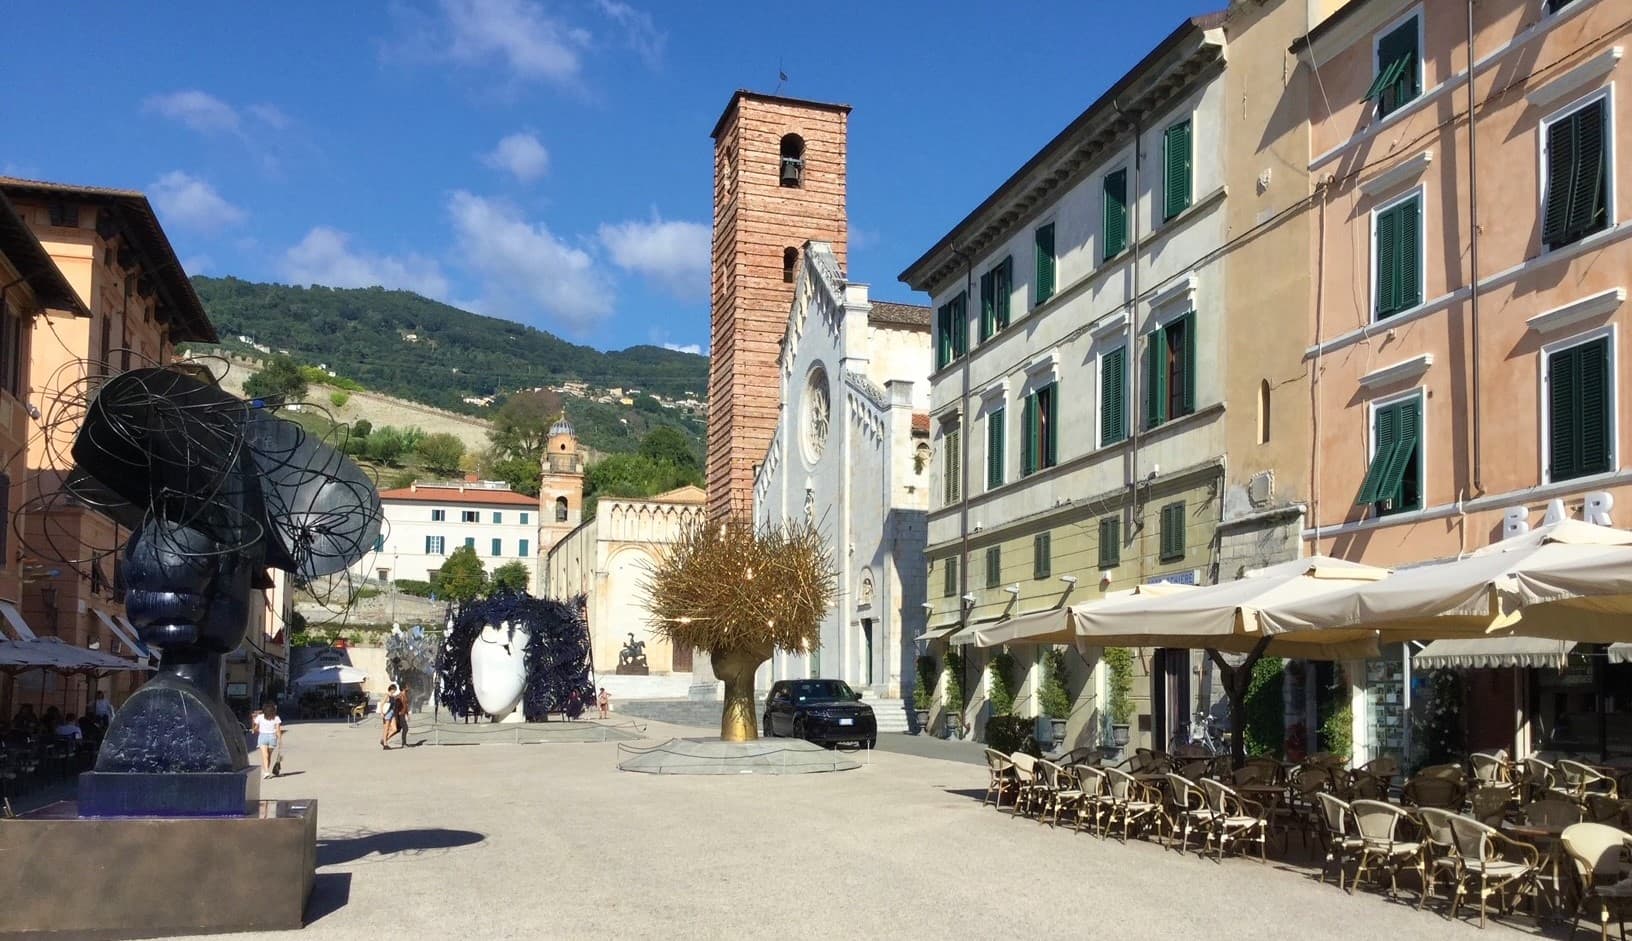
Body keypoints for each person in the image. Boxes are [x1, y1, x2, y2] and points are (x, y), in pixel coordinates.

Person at [251, 703, 283, 779]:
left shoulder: (260, 717)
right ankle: (266, 771)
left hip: (263, 737)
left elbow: (256, 727)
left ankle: (266, 771)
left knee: (265, 755)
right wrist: (280, 740)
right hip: (272, 737)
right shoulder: (276, 718)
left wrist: (254, 730)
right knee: (268, 756)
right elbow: (278, 730)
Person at [380, 684, 399, 750]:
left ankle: (384, 739)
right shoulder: (387, 695)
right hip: (387, 713)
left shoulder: (392, 696)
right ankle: (385, 744)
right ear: (392, 689)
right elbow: (382, 704)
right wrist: (381, 713)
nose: (395, 691)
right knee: (386, 729)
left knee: (394, 729)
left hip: (392, 713)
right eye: (394, 690)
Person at [394, 684, 410, 748]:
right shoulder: (399, 696)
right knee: (405, 728)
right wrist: (397, 714)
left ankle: (404, 743)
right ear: (403, 688)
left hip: (403, 714)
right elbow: (396, 705)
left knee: (402, 729)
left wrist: (407, 714)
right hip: (400, 715)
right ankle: (404, 743)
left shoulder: (405, 695)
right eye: (407, 686)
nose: (408, 687)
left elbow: (405, 706)